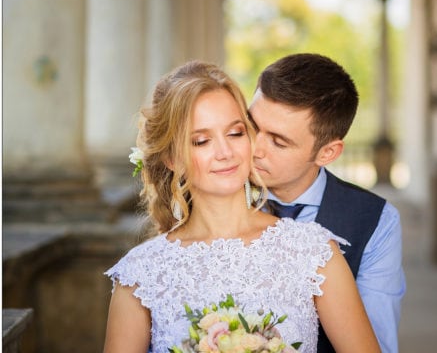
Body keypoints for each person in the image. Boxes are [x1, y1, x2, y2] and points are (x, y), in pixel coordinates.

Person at [103, 60, 380, 353]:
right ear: (172, 159)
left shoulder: (315, 253)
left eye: (235, 133)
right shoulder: (140, 274)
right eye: (201, 141)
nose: (225, 152)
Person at [249, 53, 406, 353]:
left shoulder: (376, 221)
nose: (255, 149)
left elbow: (378, 344)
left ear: (327, 153)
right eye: (253, 126)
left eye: (279, 142)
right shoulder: (214, 193)